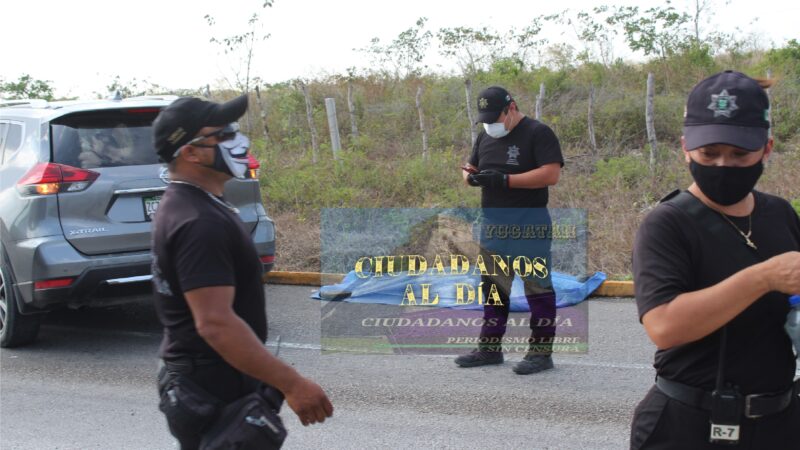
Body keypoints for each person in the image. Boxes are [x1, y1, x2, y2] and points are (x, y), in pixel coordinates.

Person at [151, 95, 333, 449]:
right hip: (213, 384)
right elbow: (215, 323)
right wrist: (292, 384)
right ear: (190, 152)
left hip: (208, 378)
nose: (239, 140)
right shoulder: (198, 221)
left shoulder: (193, 204)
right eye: (224, 133)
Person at [630, 71, 800, 449]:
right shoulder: (668, 224)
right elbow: (664, 325)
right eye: (710, 154)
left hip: (779, 423)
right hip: (689, 427)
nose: (724, 165)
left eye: (740, 155)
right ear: (685, 147)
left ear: (767, 149)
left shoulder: (780, 214)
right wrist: (764, 277)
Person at [456, 86, 564, 375]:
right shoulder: (485, 136)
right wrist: (472, 178)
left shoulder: (538, 133)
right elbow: (469, 167)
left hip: (529, 224)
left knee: (537, 288)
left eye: (496, 117)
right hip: (493, 225)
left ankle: (541, 354)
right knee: (493, 288)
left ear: (512, 108)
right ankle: (489, 349)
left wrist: (505, 181)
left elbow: (551, 174)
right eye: (486, 119)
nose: (491, 125)